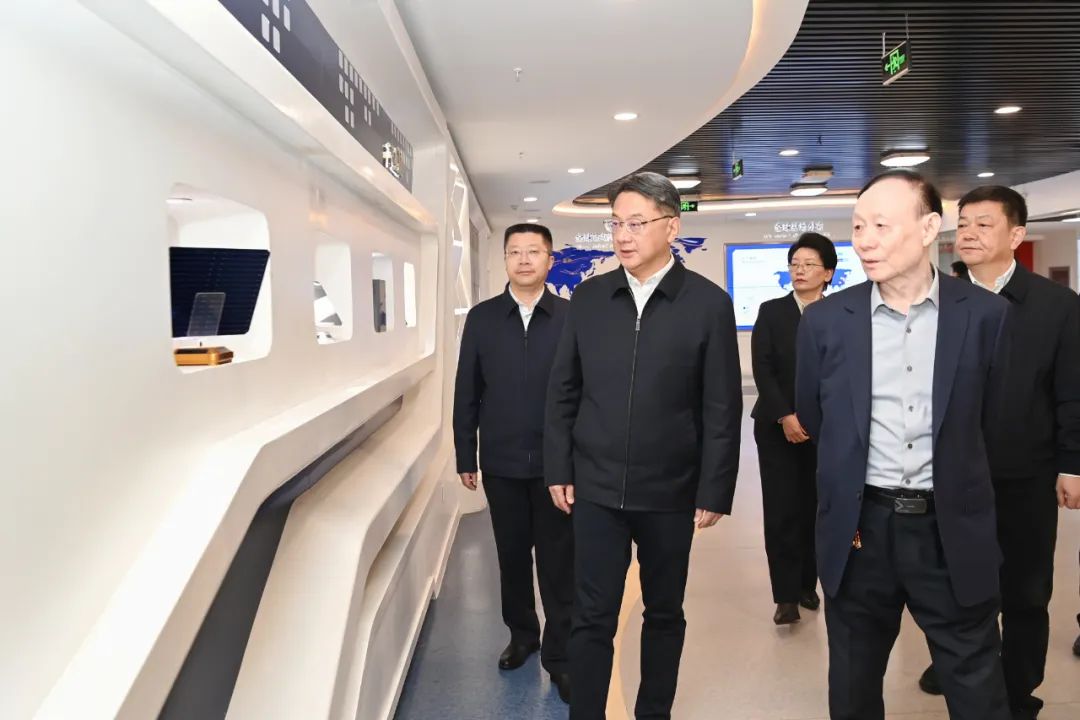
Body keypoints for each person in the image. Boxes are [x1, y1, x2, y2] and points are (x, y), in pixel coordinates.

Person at [795, 169, 1012, 720]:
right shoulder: (825, 322)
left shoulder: (986, 316)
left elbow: (997, 423)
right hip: (861, 529)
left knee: (976, 683)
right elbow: (817, 417)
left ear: (928, 228)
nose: (864, 240)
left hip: (951, 526)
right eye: (857, 226)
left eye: (881, 226)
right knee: (853, 682)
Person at [545, 172, 742, 719]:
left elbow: (721, 405)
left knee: (664, 613)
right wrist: (559, 467)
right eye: (616, 224)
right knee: (592, 616)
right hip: (596, 488)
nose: (623, 235)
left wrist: (714, 488)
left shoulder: (707, 304)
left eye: (636, 223)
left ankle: (653, 712)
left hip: (671, 491)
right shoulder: (589, 298)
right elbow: (563, 390)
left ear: (671, 227)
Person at [915, 186, 1080, 719]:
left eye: (984, 224)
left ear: (1016, 235)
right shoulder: (931, 300)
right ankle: (961, 669)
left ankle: (1018, 689)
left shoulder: (1057, 306)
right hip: (947, 475)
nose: (967, 233)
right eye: (963, 223)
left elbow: (1072, 390)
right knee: (954, 585)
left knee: (1026, 591)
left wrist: (1072, 463)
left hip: (1024, 474)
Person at [453, 223, 573, 703]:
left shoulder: (570, 317)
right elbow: (467, 390)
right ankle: (523, 635)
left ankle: (561, 655)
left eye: (533, 252)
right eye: (515, 252)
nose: (524, 260)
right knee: (512, 556)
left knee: (560, 563)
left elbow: (584, 391)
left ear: (549, 260)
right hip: (501, 462)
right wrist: (466, 453)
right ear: (504, 260)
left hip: (556, 467)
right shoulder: (483, 318)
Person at [751, 232, 837, 625]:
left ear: (828, 273)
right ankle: (785, 596)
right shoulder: (771, 311)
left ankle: (807, 585)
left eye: (809, 265)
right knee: (782, 510)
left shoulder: (839, 313)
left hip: (826, 429)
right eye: (794, 264)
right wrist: (785, 415)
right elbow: (763, 368)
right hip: (776, 428)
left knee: (816, 509)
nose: (799, 271)